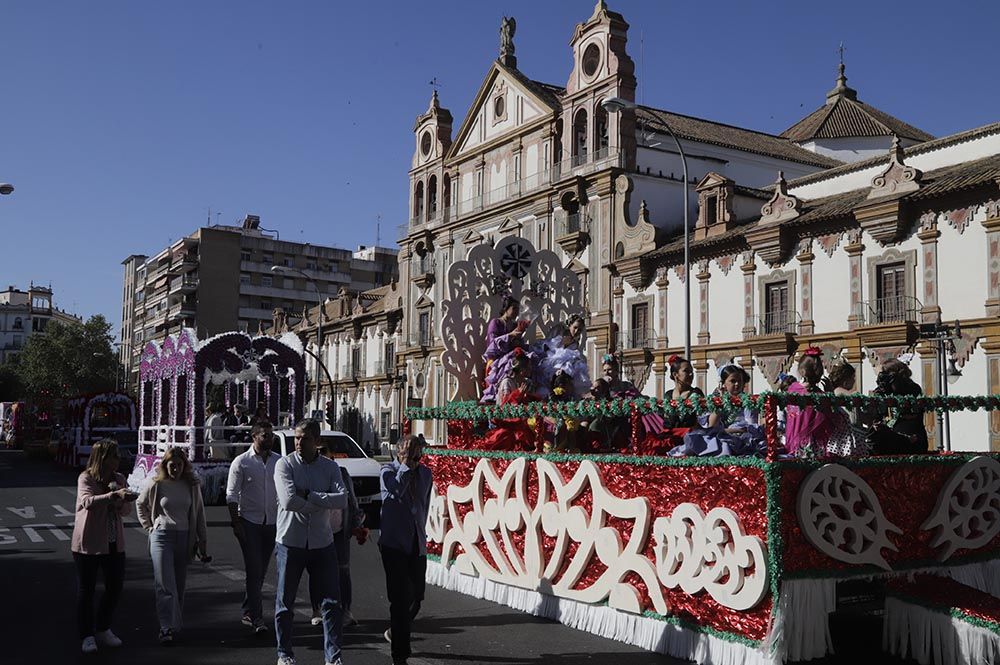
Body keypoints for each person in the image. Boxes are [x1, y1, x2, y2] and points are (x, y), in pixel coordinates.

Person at [273, 419, 348, 665]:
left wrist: (311, 495)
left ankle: (333, 657)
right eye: (296, 437)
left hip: (321, 542)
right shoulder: (284, 465)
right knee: (285, 602)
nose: (298, 442)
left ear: (316, 441)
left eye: (304, 438)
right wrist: (319, 503)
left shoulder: (330, 468)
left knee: (331, 603)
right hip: (290, 541)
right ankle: (284, 654)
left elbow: (342, 499)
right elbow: (288, 501)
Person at [71, 439, 138, 654]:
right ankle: (87, 635)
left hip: (113, 541)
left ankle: (103, 627)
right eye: (114, 456)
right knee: (86, 590)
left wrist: (124, 500)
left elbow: (125, 511)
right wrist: (113, 495)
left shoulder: (119, 478)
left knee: (115, 587)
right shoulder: (86, 477)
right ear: (103, 458)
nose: (118, 460)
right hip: (88, 543)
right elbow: (88, 502)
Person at [136, 446, 208, 644]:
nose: (175, 469)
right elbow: (140, 504)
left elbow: (199, 514)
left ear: (184, 466)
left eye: (179, 465)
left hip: (185, 538)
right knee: (165, 585)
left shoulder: (192, 485)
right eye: (172, 465)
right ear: (165, 466)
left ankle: (175, 623)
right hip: (161, 537)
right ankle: (166, 627)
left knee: (179, 585)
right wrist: (149, 526)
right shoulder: (156, 483)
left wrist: (203, 542)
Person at [380, 434, 434, 665]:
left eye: (416, 452)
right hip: (394, 544)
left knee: (416, 596)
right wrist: (404, 466)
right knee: (400, 600)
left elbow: (424, 503)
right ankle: (399, 654)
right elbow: (395, 492)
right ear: (399, 452)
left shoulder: (425, 474)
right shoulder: (387, 472)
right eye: (408, 451)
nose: (413, 456)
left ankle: (396, 629)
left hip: (416, 542)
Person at [226, 418, 279, 634]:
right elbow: (231, 495)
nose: (269, 438)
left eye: (271, 434)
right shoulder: (241, 462)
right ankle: (258, 618)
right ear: (254, 436)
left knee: (260, 571)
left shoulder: (279, 461)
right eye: (265, 435)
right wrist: (236, 523)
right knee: (254, 569)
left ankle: (248, 609)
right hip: (250, 523)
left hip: (273, 523)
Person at [310, 446, 369, 628]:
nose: (322, 457)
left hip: (339, 529)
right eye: (318, 454)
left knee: (343, 570)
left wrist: (357, 524)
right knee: (317, 572)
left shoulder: (341, 473)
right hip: (318, 530)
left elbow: (351, 500)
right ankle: (317, 609)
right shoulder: (311, 472)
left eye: (324, 454)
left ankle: (346, 610)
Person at [672, 365, 765, 457]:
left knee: (728, 445)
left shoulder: (748, 401)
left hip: (741, 439)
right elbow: (711, 425)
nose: (737, 384)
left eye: (739, 381)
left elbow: (749, 427)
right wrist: (720, 402)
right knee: (699, 440)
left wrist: (729, 431)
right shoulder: (714, 400)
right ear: (723, 383)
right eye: (733, 381)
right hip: (718, 436)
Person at [785, 347, 841, 457]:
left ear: (801, 370)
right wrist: (831, 396)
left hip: (793, 442)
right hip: (814, 447)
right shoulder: (821, 396)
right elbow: (835, 420)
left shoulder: (792, 389)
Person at [869, 359, 929, 454]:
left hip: (911, 437)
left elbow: (915, 413)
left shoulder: (912, 388)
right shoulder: (884, 389)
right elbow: (876, 415)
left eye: (886, 373)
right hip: (891, 437)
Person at [481, 295, 531, 403]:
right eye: (514, 309)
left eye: (518, 309)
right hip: (497, 362)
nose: (516, 312)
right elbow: (492, 345)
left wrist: (518, 337)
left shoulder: (514, 324)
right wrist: (510, 335)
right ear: (506, 308)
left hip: (511, 358)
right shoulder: (496, 323)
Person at [532, 314, 590, 400]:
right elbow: (548, 345)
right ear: (570, 325)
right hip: (554, 362)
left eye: (580, 329)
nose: (577, 331)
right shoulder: (559, 334)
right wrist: (562, 344)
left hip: (568, 365)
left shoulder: (575, 342)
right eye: (575, 327)